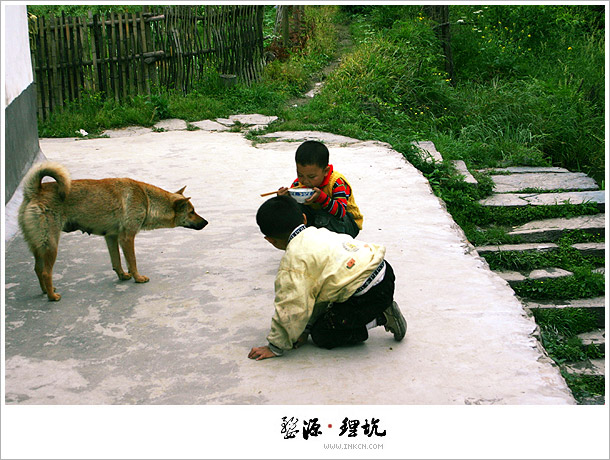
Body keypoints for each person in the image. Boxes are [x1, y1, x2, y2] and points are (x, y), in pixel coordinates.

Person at [248, 195, 407, 361]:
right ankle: (377, 308)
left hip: (368, 295)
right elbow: (316, 292)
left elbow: (292, 306)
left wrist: (276, 346)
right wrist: (304, 329)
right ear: (303, 218)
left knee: (323, 334)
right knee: (329, 298)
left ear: (271, 240)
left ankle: (381, 316)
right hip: (383, 270)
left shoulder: (294, 263)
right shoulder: (319, 233)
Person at [277, 140, 362, 238]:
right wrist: (285, 199)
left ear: (326, 171)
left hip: (347, 224)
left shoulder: (336, 183)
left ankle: (326, 244)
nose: (305, 181)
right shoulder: (298, 184)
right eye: (300, 175)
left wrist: (322, 198)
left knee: (324, 217)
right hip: (317, 221)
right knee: (294, 213)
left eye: (312, 177)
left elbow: (341, 212)